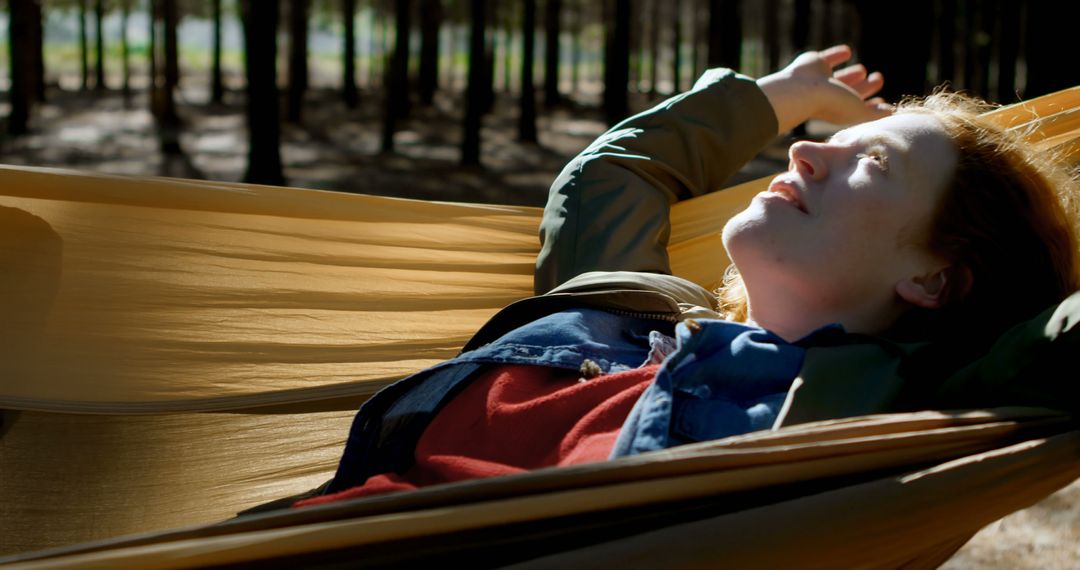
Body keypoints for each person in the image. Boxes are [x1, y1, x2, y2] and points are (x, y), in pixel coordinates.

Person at [296, 45, 1080, 506]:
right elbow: (610, 177)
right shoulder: (635, 314)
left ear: (936, 278)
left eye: (872, 162)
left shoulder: (892, 416)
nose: (805, 150)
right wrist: (781, 95)